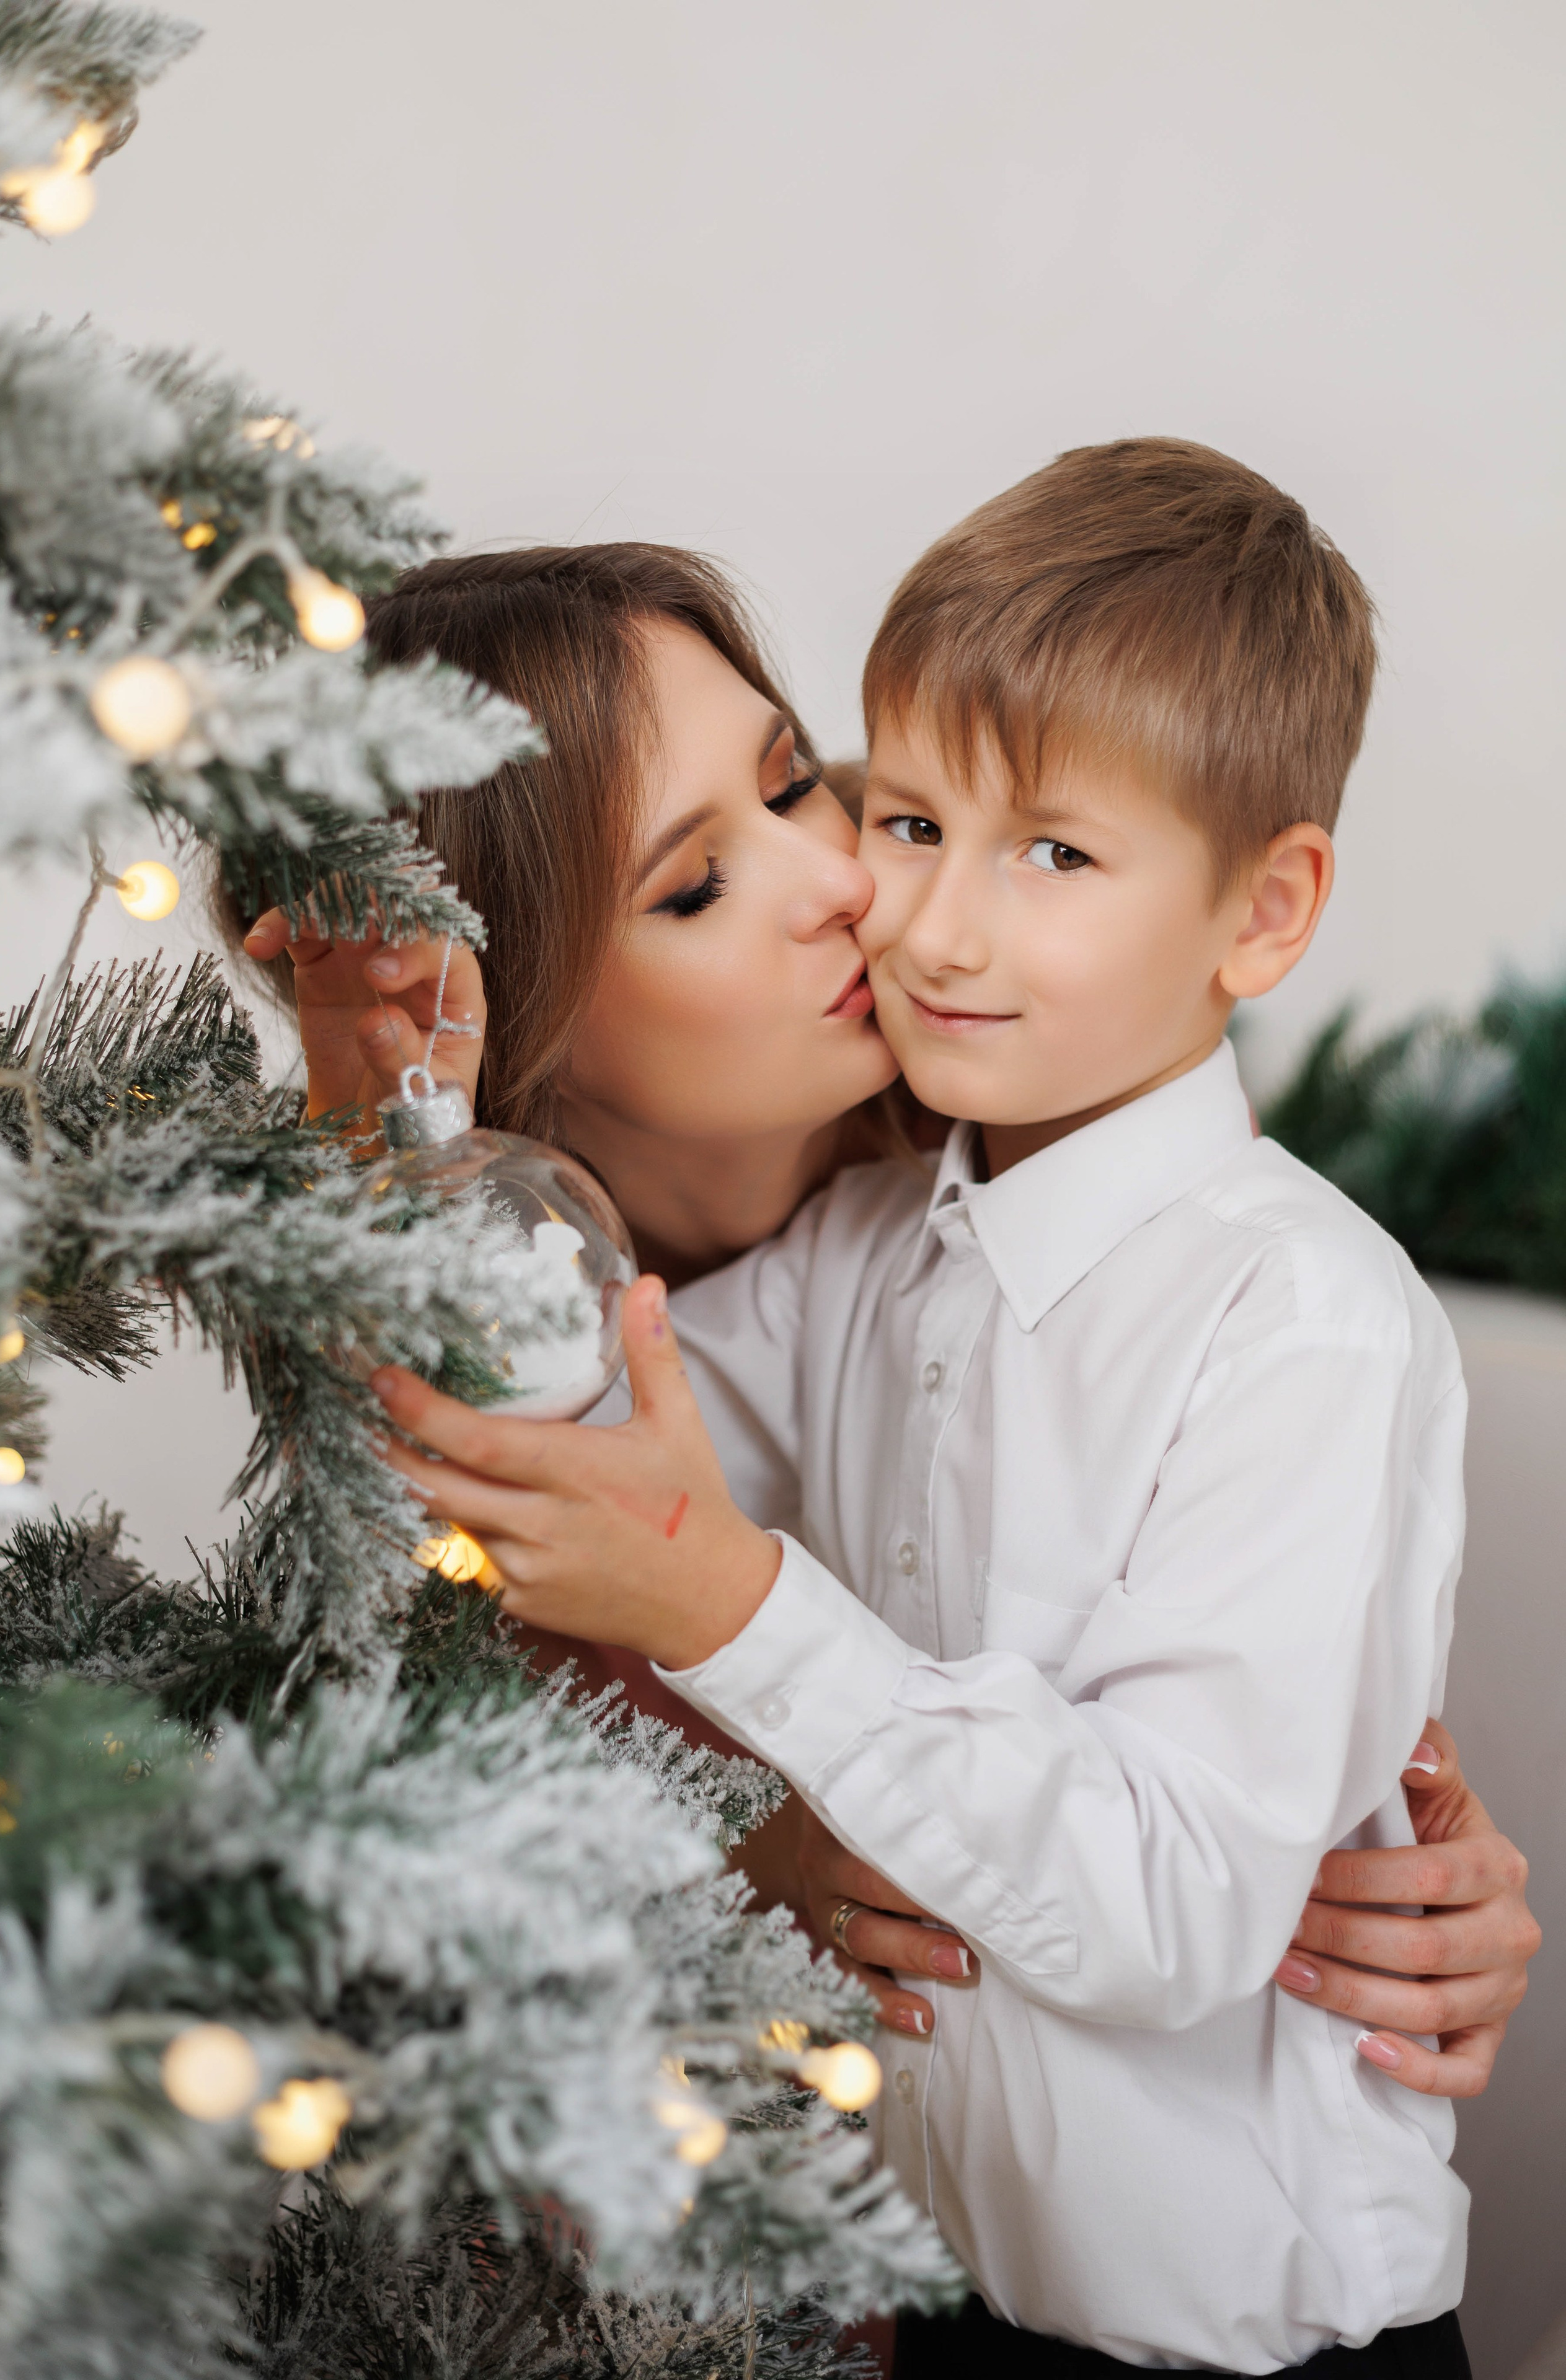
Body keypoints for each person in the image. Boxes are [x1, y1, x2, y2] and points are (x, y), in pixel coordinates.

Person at [364, 452, 1528, 2376]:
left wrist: (744, 1614)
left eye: (807, 785)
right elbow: (556, 1442)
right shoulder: (862, 1273)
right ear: (530, 1008)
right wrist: (389, 1122)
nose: (881, 903)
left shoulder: (1269, 1304)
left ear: (1263, 913)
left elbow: (1203, 1873)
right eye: (896, 817)